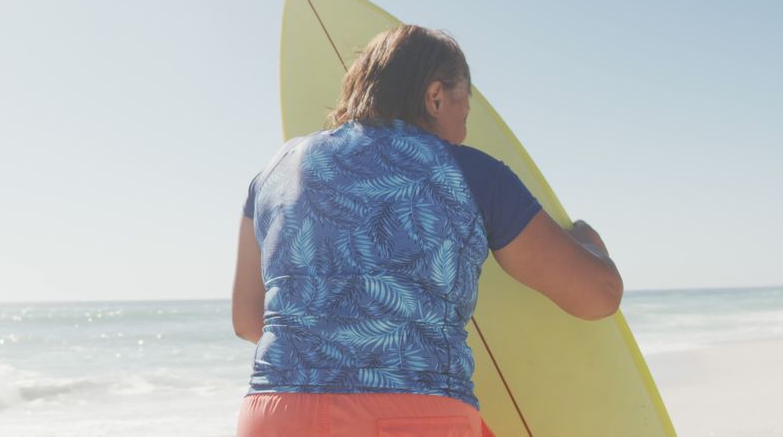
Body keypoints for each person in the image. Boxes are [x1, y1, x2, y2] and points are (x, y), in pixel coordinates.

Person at [232, 25, 622, 437]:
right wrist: (589, 243)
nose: (464, 132)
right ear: (436, 97)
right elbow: (598, 297)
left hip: (275, 416)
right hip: (412, 418)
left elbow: (246, 319)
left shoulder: (275, 171)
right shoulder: (469, 172)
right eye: (463, 112)